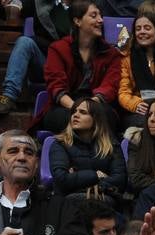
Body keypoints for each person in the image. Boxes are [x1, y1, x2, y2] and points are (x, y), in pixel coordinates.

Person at [38, 0, 122, 135]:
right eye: (94, 16)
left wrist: (89, 108)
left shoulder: (111, 53)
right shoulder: (58, 48)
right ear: (77, 21)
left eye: (100, 16)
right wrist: (77, 110)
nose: (100, 20)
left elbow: (110, 85)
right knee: (60, 118)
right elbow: (56, 85)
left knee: (108, 117)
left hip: (96, 104)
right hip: (66, 105)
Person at [0, 0, 71, 118]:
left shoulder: (83, 7)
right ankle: (8, 97)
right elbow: (6, 12)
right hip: (47, 63)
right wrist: (3, 4)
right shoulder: (39, 3)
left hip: (73, 65)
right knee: (24, 42)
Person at [48, 98, 128, 201]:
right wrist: (96, 175)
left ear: (96, 119)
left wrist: (95, 186)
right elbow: (61, 179)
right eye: (74, 112)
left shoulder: (111, 145)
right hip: (70, 201)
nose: (75, 115)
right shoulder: (60, 144)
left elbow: (120, 180)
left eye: (83, 112)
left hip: (103, 199)